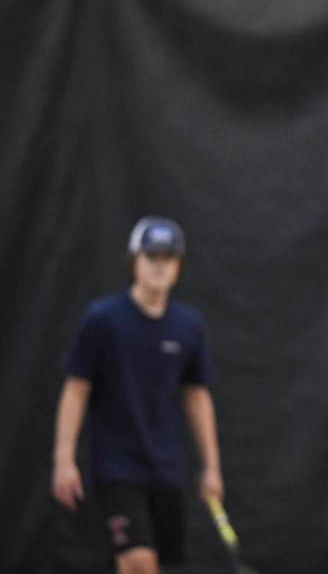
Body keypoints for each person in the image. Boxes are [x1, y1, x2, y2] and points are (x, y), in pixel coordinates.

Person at [52, 216, 224, 574]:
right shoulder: (102, 321)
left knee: (161, 565)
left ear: (178, 267)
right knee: (138, 563)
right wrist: (64, 459)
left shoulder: (188, 327)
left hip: (167, 468)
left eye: (168, 258)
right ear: (135, 263)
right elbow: (76, 389)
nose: (160, 266)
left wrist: (212, 466)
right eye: (152, 257)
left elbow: (197, 396)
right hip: (117, 466)